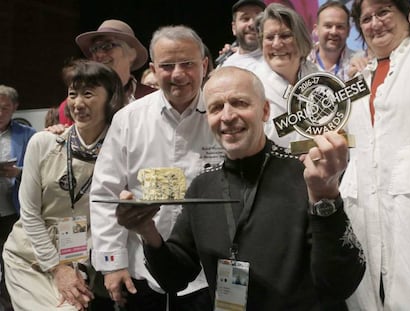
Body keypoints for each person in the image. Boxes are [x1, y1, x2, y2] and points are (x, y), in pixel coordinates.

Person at [115, 66, 366, 310]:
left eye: (240, 103)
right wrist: (147, 231)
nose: (227, 116)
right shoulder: (203, 186)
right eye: (216, 107)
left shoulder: (307, 176)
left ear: (265, 110)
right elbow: (175, 278)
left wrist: (325, 196)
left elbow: (340, 284)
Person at [89, 25, 225, 311]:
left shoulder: (224, 115)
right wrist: (113, 263)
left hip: (211, 270)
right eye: (167, 66)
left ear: (203, 65)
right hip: (141, 269)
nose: (178, 74)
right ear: (153, 68)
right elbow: (105, 193)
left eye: (188, 63)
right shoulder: (129, 119)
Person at [2, 60, 126, 311]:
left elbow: (109, 219)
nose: (78, 103)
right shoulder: (43, 143)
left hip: (79, 256)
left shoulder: (121, 152)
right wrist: (57, 266)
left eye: (88, 94)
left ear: (110, 98)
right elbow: (29, 214)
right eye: (72, 94)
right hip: (30, 257)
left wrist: (78, 266)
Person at [339, 0, 410, 310]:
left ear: (408, 15)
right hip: (364, 212)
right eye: (366, 18)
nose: (374, 23)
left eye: (384, 12)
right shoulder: (358, 78)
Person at [58, 19, 157, 125]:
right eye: (95, 48)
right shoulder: (73, 107)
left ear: (132, 54)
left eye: (108, 46)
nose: (99, 54)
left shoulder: (153, 99)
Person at [254, 3, 318, 148]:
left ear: (301, 38)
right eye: (269, 37)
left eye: (285, 36)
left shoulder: (320, 77)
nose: (276, 44)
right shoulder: (251, 86)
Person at [0, 85, 36, 310]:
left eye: (5, 108)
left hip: (14, 211)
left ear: (15, 107)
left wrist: (19, 171)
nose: (0, 112)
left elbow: (41, 169)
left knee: (12, 263)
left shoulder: (28, 135)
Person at [308, 0, 358, 82]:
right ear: (316, 30)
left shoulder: (359, 64)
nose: (334, 32)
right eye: (328, 26)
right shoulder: (301, 63)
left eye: (340, 27)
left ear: (348, 31)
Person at [217, 0, 266, 71]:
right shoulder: (225, 65)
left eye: (258, 19)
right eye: (245, 19)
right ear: (234, 28)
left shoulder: (276, 61)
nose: (252, 24)